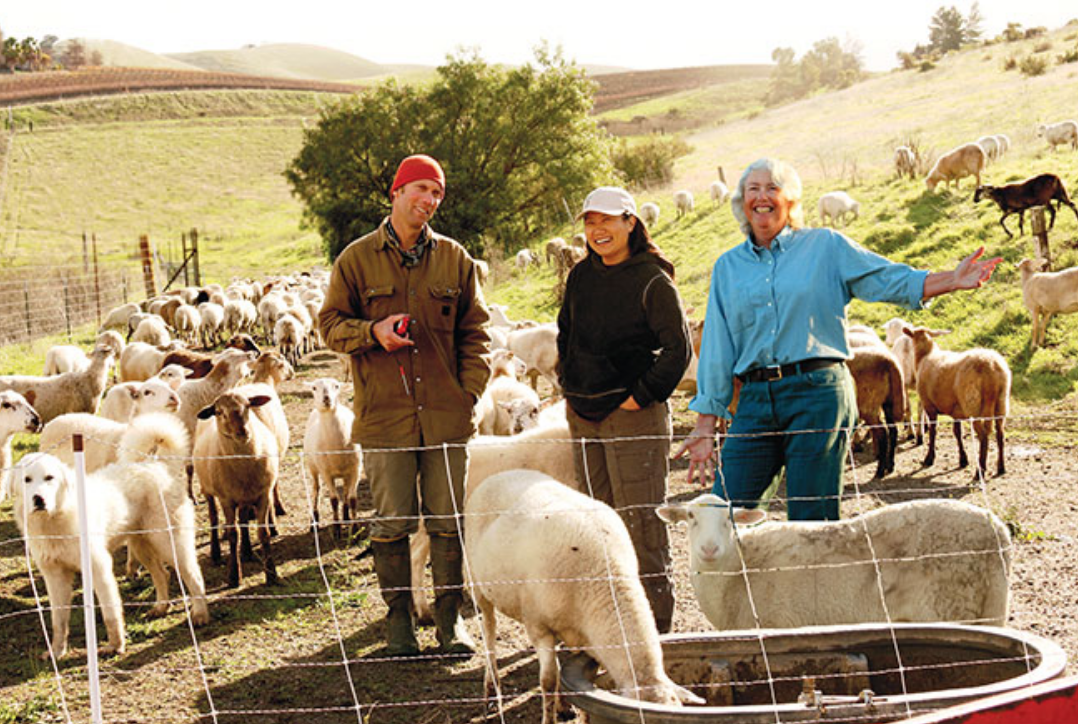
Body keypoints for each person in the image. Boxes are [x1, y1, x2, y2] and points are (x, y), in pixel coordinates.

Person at [676, 158, 1000, 521]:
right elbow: (717, 347)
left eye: (772, 188)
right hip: (754, 398)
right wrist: (705, 424)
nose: (762, 197)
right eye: (753, 189)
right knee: (724, 513)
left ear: (790, 200)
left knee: (811, 518)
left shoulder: (824, 246)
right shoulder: (728, 267)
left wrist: (950, 280)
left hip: (817, 392)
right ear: (742, 201)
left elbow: (886, 278)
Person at [319, 154, 491, 656]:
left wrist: (469, 394)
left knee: (448, 519)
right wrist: (372, 332)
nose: (429, 200)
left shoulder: (455, 259)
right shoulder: (356, 259)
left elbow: (476, 333)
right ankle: (398, 622)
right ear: (396, 193)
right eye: (421, 189)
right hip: (384, 415)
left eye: (437, 193)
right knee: (392, 520)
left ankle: (450, 621)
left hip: (446, 415)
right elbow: (329, 326)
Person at [557, 186, 692, 633]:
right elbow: (565, 334)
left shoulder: (652, 280)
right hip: (585, 415)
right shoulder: (581, 276)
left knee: (640, 522)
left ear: (630, 222)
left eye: (608, 220)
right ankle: (611, 623)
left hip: (632, 414)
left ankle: (655, 626)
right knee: (598, 523)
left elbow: (678, 350)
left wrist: (641, 395)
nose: (598, 230)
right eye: (590, 221)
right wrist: (569, 385)